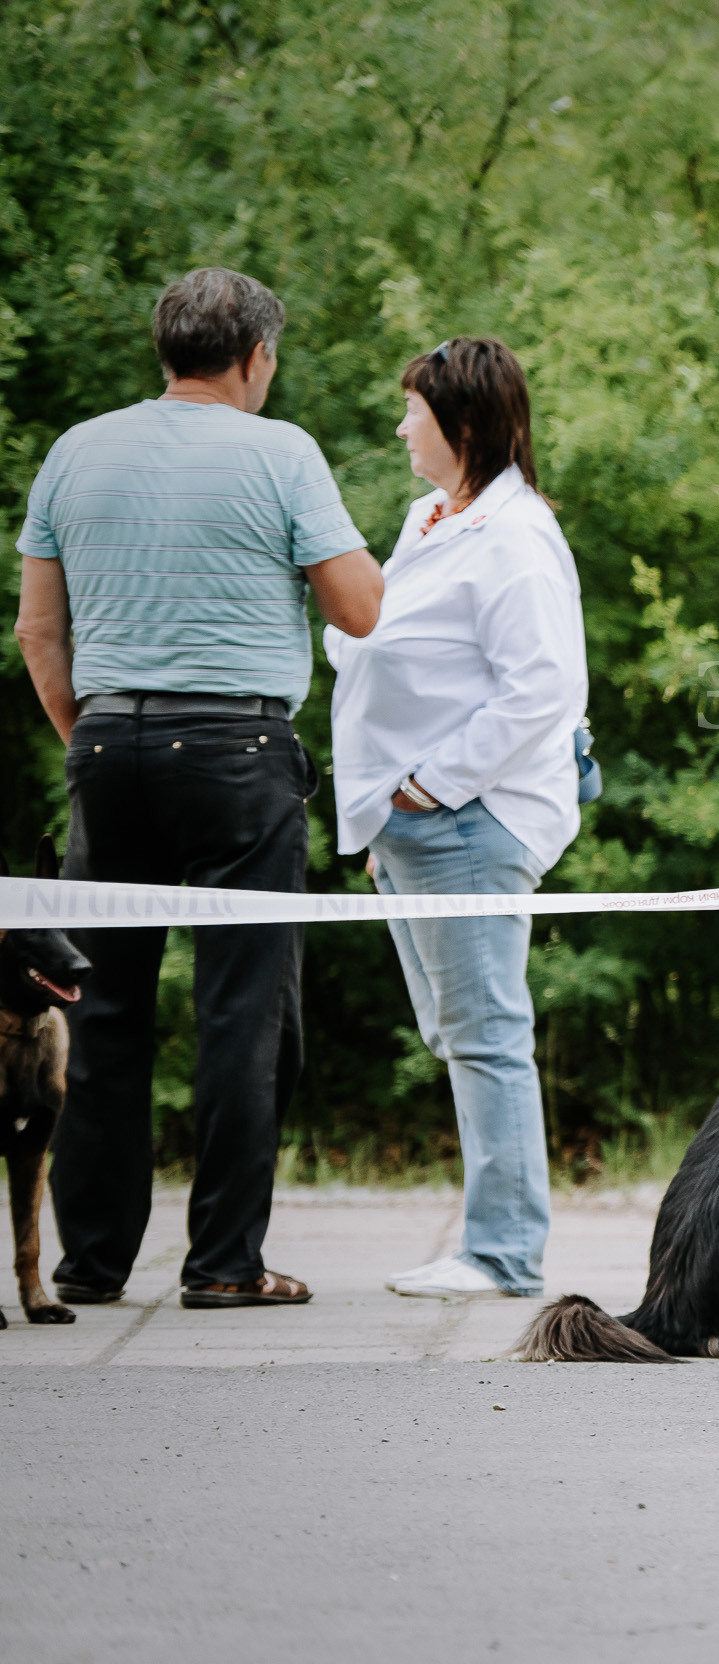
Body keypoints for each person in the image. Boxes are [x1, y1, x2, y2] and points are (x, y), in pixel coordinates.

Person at [12, 267, 383, 1309]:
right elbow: (359, 608)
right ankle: (223, 1262)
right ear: (257, 357)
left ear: (162, 348)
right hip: (237, 754)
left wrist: (93, 740)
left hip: (110, 745)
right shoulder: (282, 452)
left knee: (101, 1003)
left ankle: (88, 1260)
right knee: (242, 1013)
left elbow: (40, 630)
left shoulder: (76, 450)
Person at [326, 337, 587, 1300]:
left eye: (415, 414)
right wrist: (384, 812)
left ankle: (503, 1251)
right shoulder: (431, 517)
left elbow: (543, 690)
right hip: (407, 826)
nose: (401, 428)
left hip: (464, 821)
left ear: (464, 425)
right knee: (455, 1032)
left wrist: (426, 790)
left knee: (484, 1034)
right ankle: (492, 1241)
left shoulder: (516, 540)